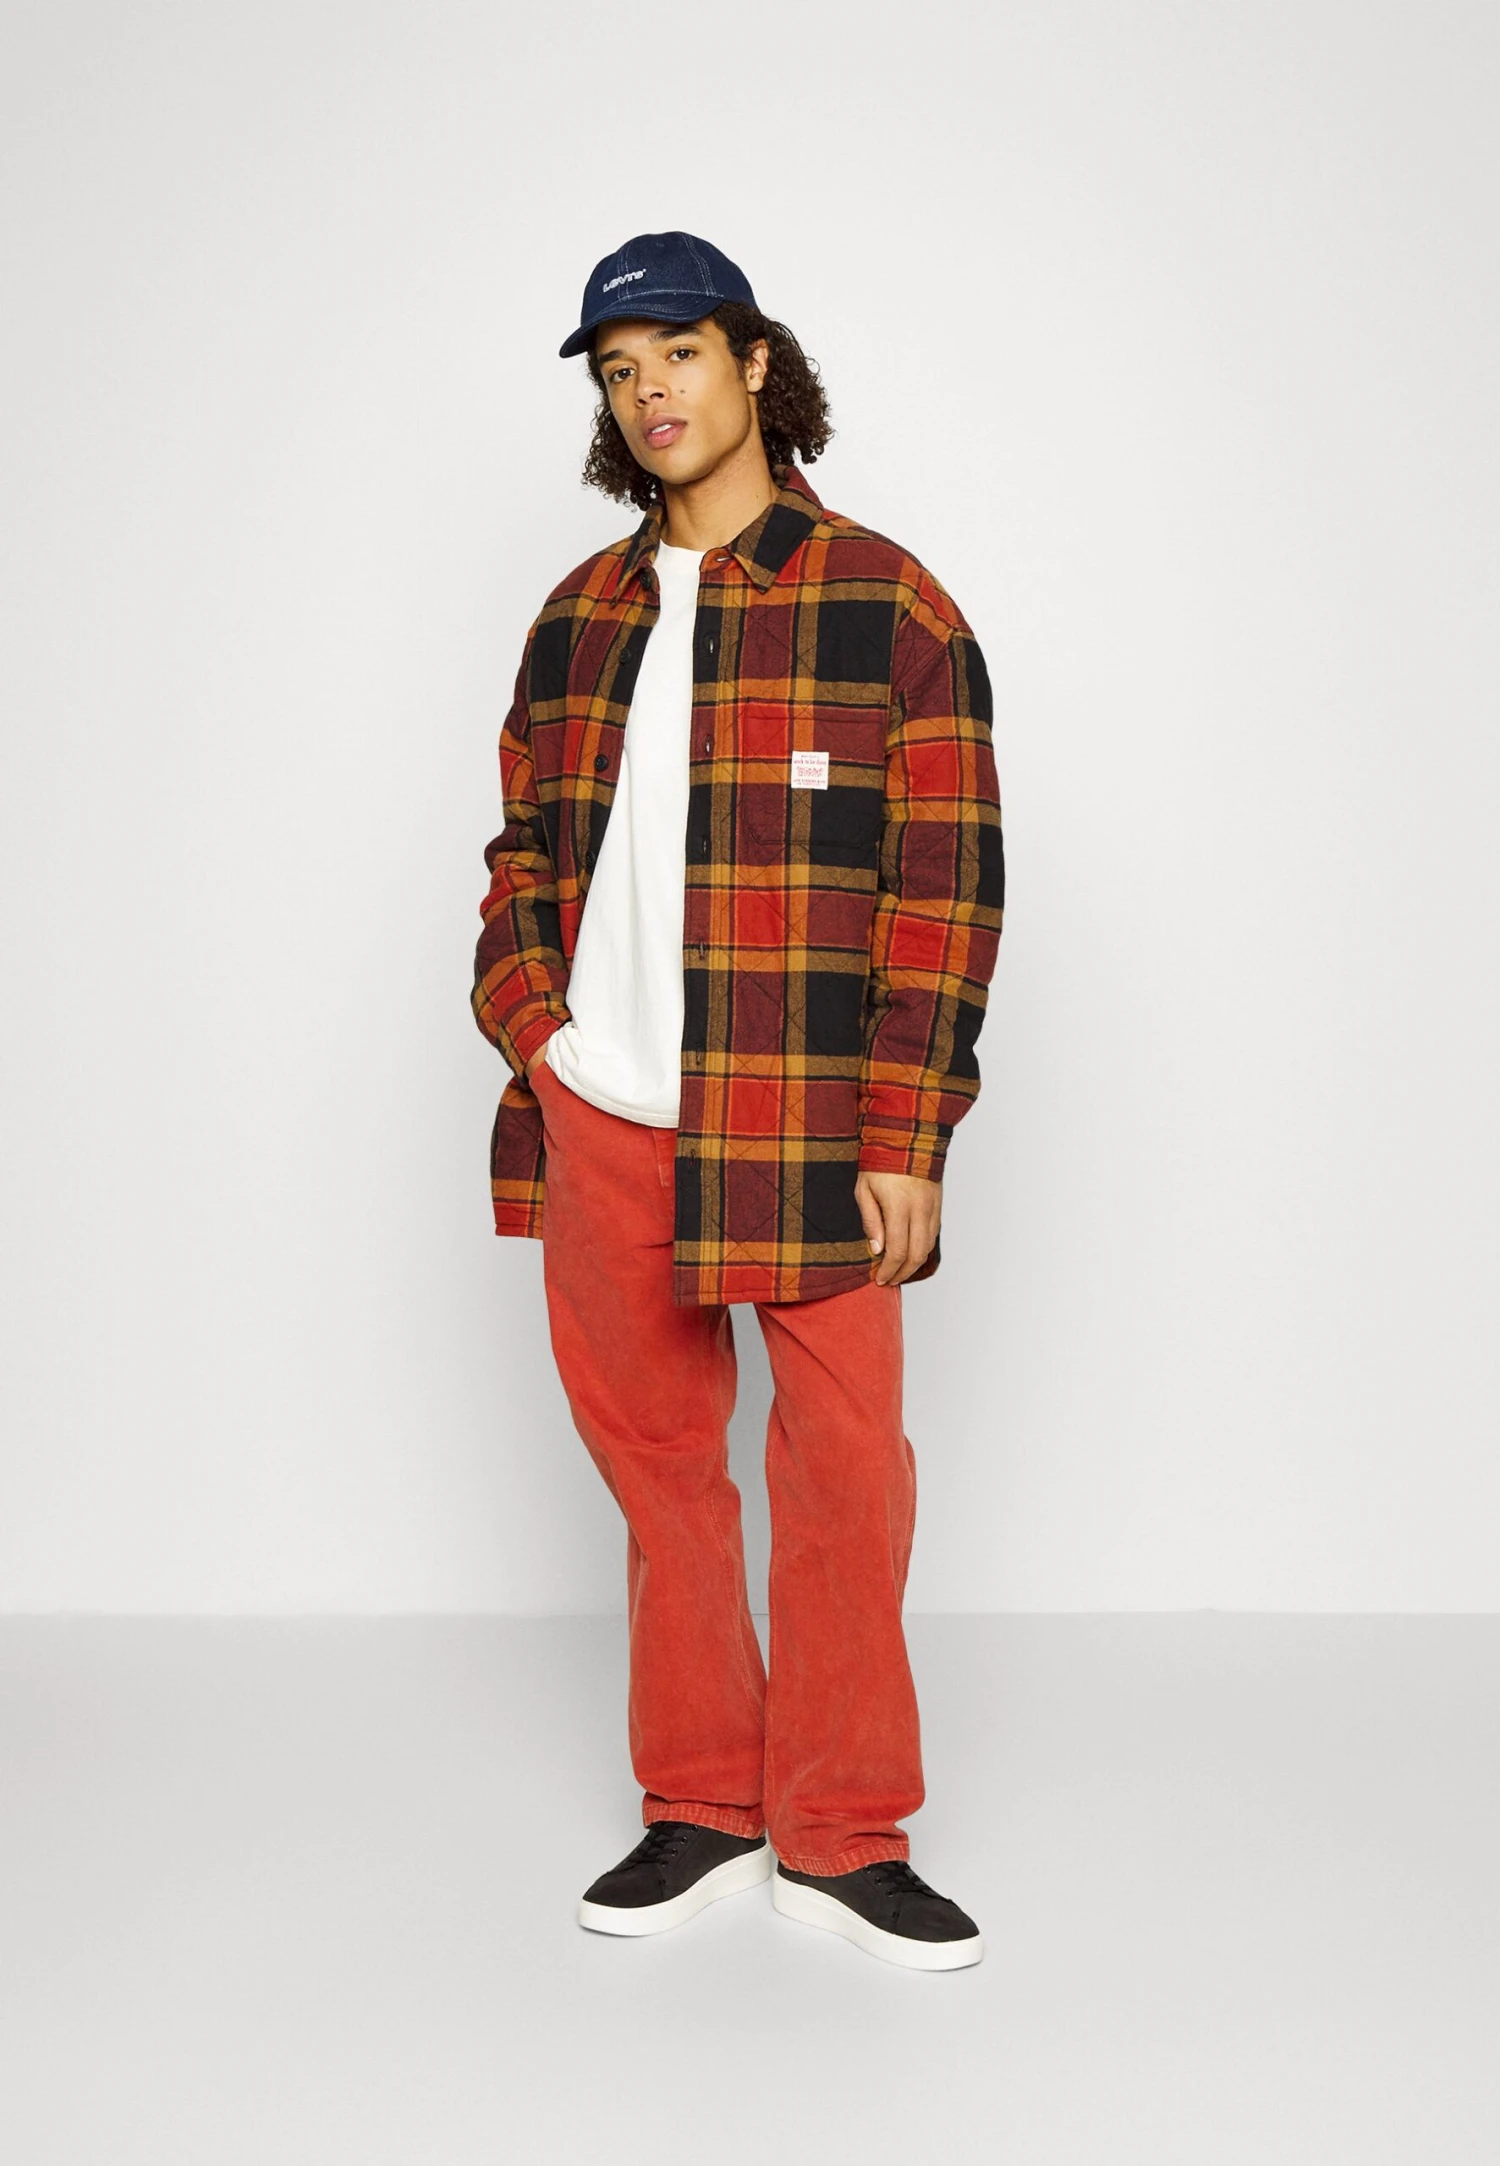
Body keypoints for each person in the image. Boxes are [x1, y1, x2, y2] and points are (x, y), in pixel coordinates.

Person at [471, 232, 1004, 1972]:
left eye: (680, 355)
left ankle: (842, 1831)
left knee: (845, 1468)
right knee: (661, 1475)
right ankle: (702, 1799)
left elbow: (947, 889)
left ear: (755, 361)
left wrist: (909, 1133)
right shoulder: (578, 617)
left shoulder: (889, 605)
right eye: (621, 373)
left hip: (809, 1121)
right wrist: (540, 1038)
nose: (653, 396)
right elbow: (520, 854)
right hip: (606, 1111)